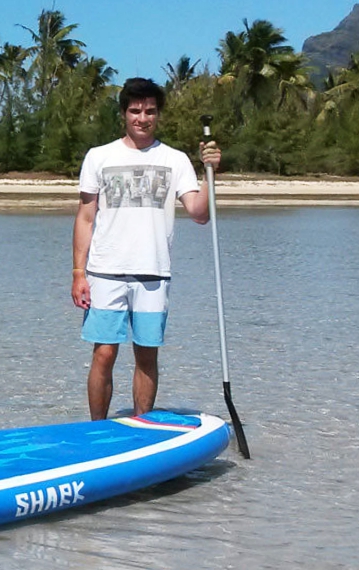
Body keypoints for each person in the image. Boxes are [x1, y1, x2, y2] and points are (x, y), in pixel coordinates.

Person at [72, 78, 222, 420]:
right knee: (104, 353)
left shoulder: (176, 159)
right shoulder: (99, 157)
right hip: (104, 271)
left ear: (158, 115)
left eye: (150, 111)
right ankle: (98, 429)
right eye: (135, 111)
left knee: (147, 354)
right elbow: (84, 217)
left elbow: (199, 214)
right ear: (124, 113)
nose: (143, 118)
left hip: (153, 273)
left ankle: (142, 426)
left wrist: (209, 173)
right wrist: (78, 273)